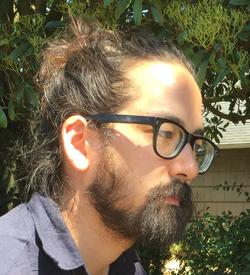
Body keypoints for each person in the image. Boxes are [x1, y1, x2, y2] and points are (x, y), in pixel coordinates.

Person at [0, 19, 218, 275]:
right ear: (79, 143)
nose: (190, 168)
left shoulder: (126, 265)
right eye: (167, 133)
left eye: (195, 145)